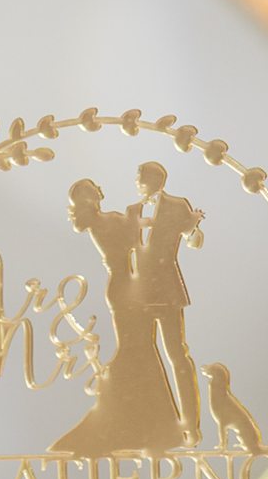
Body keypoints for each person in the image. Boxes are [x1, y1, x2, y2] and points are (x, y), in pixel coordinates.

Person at [49, 178, 183, 456]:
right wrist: (137, 214)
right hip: (127, 292)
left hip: (126, 289)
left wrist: (138, 216)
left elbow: (133, 232)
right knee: (142, 351)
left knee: (140, 351)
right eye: (95, 189)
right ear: (92, 198)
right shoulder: (104, 223)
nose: (101, 190)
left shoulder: (103, 221)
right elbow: (132, 239)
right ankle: (154, 428)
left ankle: (146, 427)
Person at [132, 161, 205, 440]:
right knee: (143, 356)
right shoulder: (133, 211)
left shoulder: (176, 206)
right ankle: (155, 422)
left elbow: (193, 241)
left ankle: (190, 423)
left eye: (139, 178)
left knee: (176, 354)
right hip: (139, 293)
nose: (136, 183)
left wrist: (194, 227)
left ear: (152, 180)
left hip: (166, 290)